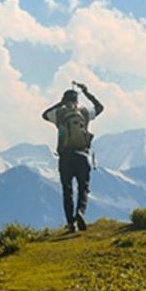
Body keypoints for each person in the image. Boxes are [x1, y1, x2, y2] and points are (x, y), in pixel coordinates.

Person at [42, 82, 103, 232]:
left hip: (65, 157)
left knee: (67, 190)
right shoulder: (84, 112)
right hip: (82, 155)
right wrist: (87, 92)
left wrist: (60, 103)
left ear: (64, 99)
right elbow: (100, 107)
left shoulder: (59, 113)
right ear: (77, 100)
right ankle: (80, 212)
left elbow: (44, 114)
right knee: (83, 188)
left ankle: (71, 224)